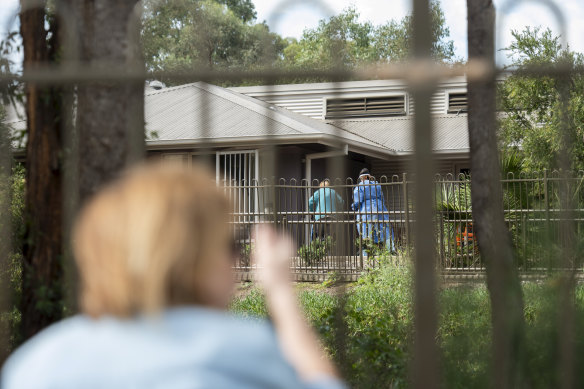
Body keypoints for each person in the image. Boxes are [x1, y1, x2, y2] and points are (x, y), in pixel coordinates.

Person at [1, 162, 345, 389]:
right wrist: (281, 294)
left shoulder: (36, 364)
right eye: (229, 243)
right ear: (192, 256)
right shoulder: (240, 347)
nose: (239, 256)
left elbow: (313, 207)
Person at [351, 168, 396, 255]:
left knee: (366, 230)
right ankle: (391, 249)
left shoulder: (360, 185)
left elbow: (357, 200)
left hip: (366, 208)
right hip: (379, 207)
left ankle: (366, 253)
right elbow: (382, 197)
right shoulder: (376, 184)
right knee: (384, 228)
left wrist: (354, 207)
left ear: (362, 177)